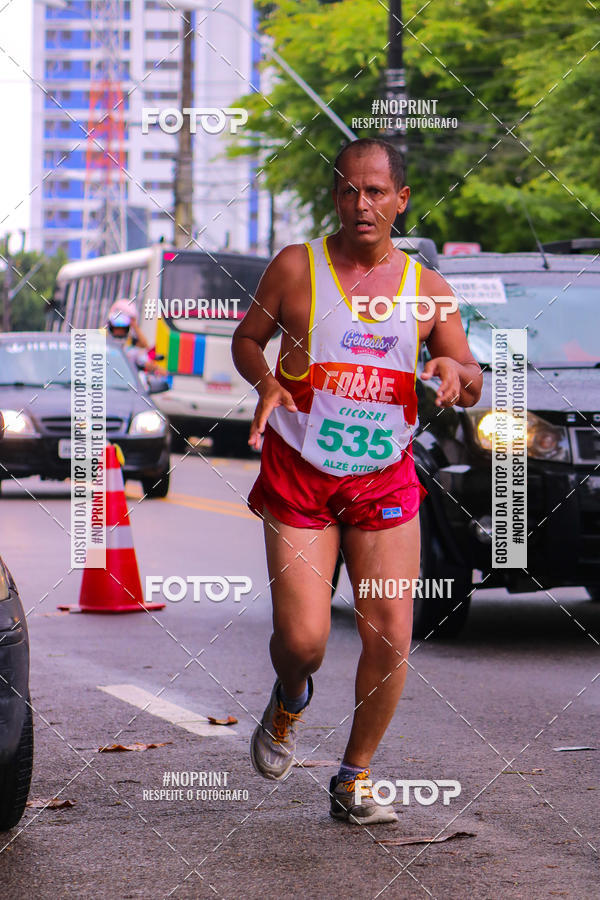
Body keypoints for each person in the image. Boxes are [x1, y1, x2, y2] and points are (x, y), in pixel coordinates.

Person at [231, 137, 482, 825]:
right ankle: (290, 695)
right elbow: (249, 338)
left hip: (382, 476)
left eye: (375, 192)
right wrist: (265, 383)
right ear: (334, 196)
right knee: (306, 641)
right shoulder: (295, 267)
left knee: (391, 632)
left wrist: (458, 377)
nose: (360, 203)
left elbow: (465, 367)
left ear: (401, 200)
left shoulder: (427, 287)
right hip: (301, 472)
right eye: (347, 190)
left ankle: (354, 776)